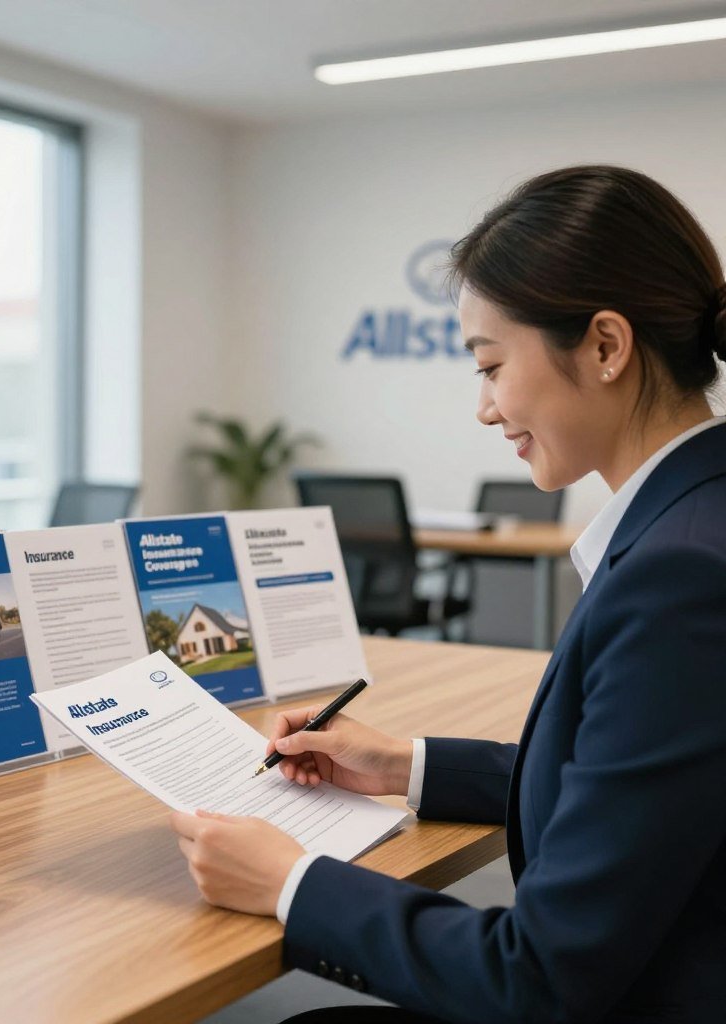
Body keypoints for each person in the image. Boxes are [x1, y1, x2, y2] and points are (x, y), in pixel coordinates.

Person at [170, 165, 726, 1023]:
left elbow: (536, 981)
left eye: (491, 365)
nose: (484, 408)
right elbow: (628, 791)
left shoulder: (680, 580)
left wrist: (291, 882)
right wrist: (403, 764)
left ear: (606, 348)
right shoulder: (694, 523)